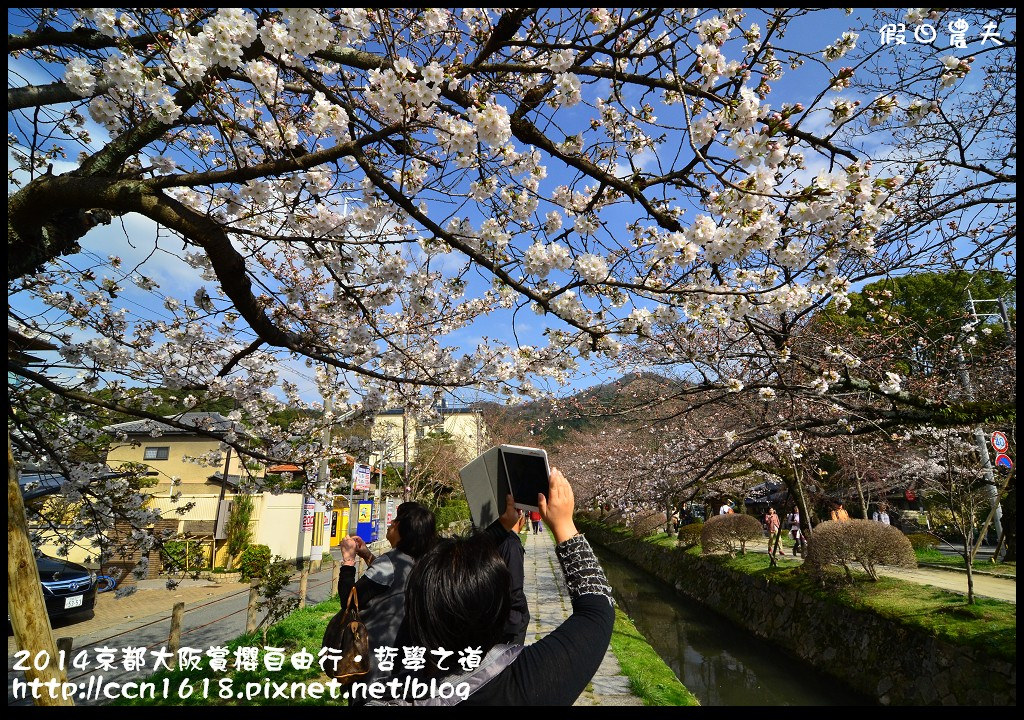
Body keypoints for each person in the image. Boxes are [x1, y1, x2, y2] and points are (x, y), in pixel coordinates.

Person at [389, 468, 614, 706]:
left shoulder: (396, 689)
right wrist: (564, 525)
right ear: (497, 610)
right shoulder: (522, 685)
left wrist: (499, 529)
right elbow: (597, 610)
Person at [337, 501, 437, 690]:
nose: (391, 524)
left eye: (395, 522)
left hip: (374, 660)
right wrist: (367, 555)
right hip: (406, 656)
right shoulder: (422, 560)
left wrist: (348, 560)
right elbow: (392, 580)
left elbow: (348, 602)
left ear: (403, 530)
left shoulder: (389, 563)